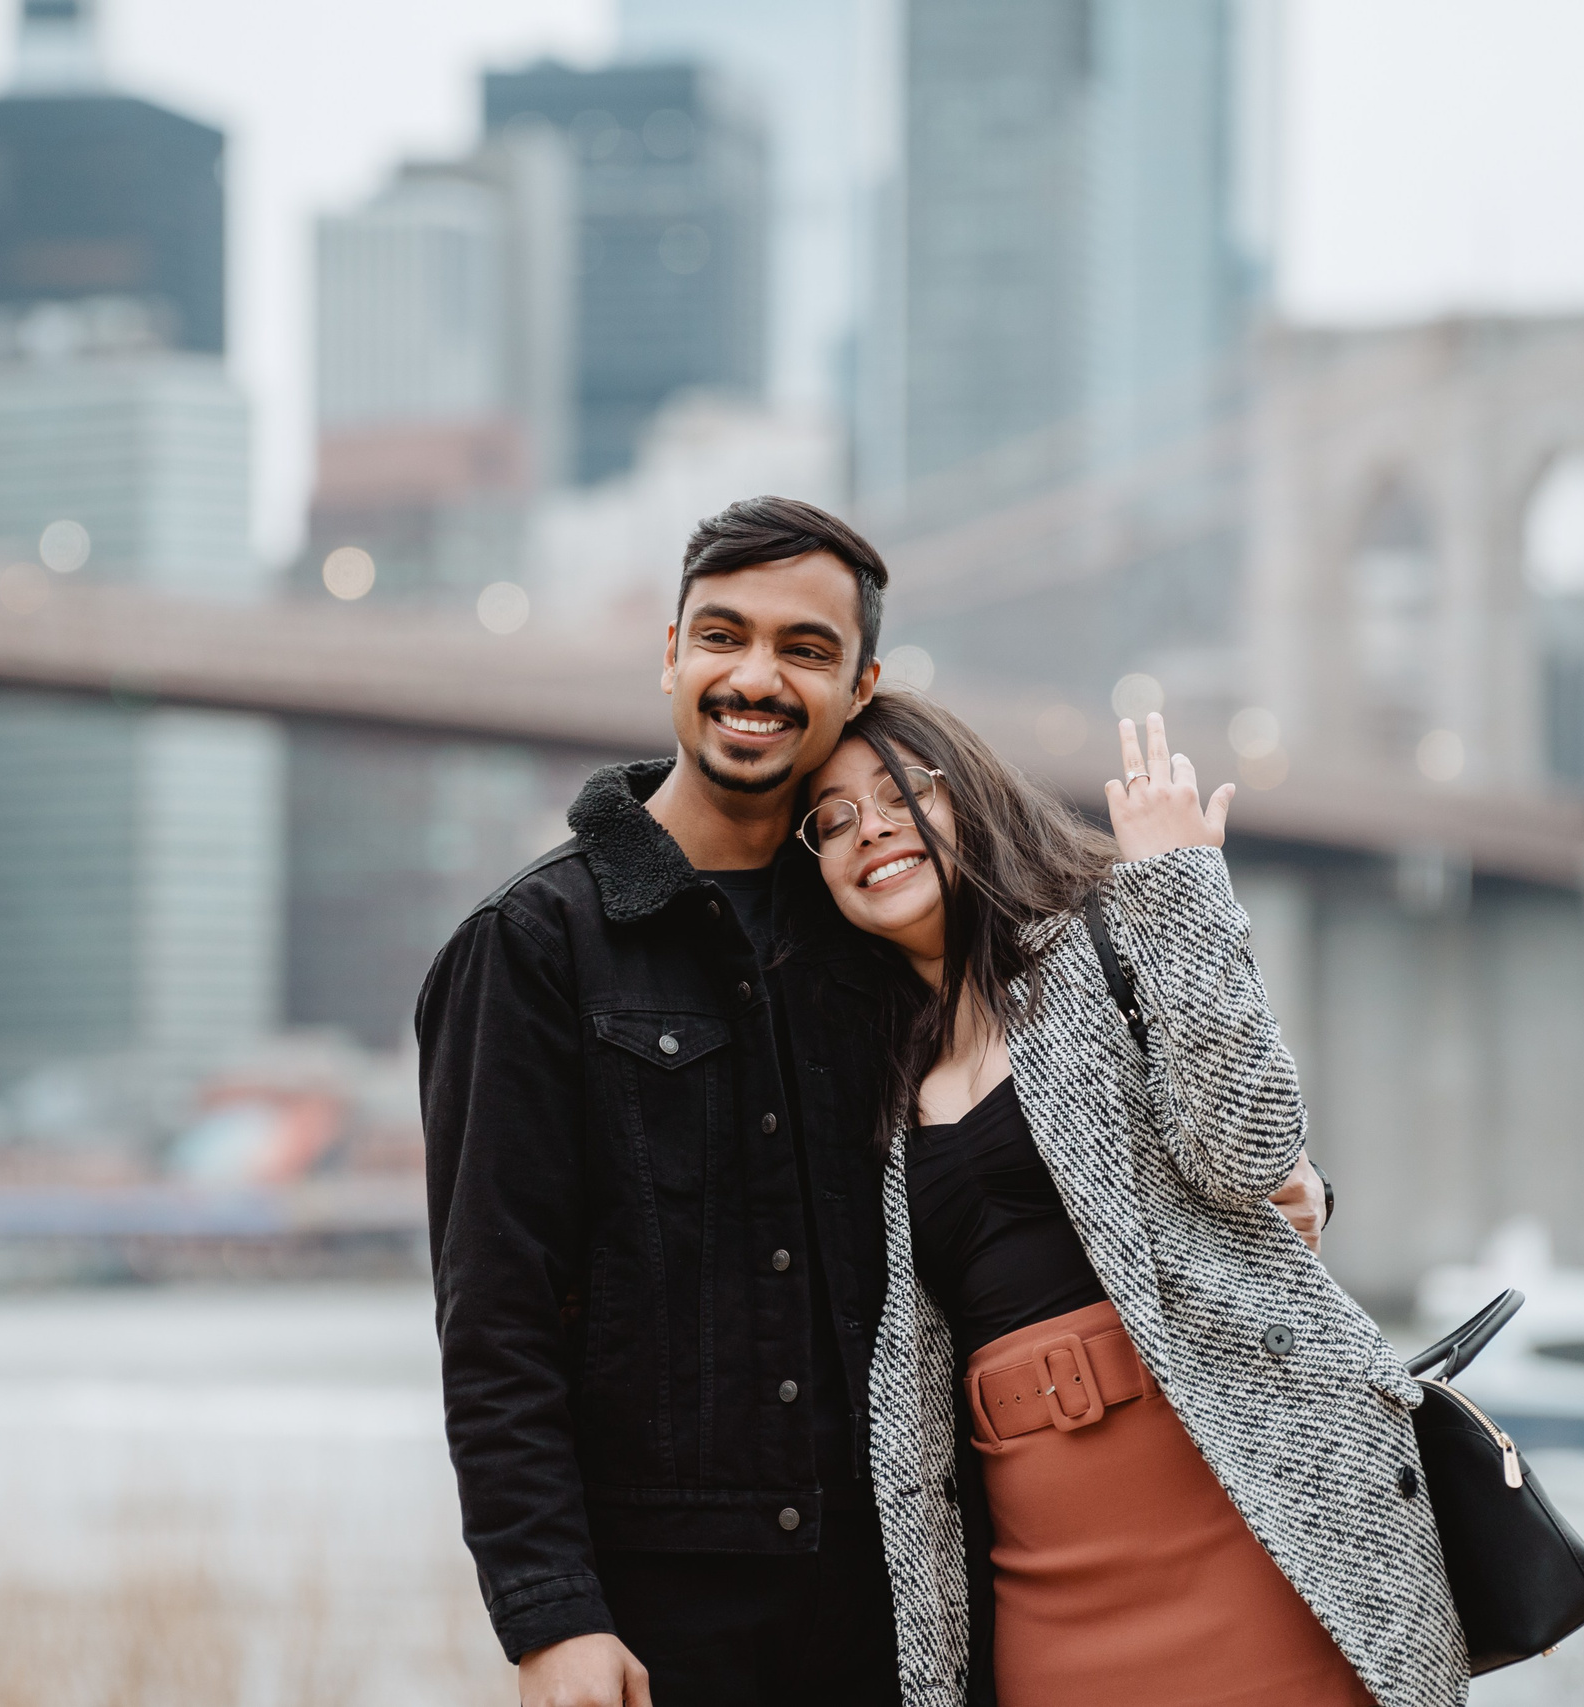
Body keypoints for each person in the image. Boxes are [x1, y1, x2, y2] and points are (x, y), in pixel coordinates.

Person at [418, 495, 1325, 1707]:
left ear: (859, 686)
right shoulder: (533, 948)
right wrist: (550, 1614)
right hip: (670, 1614)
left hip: (920, 1597)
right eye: (723, 636)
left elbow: (1067, 1142)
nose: (756, 677)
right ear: (672, 654)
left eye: (805, 649)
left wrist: (1282, 1194)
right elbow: (497, 1314)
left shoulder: (874, 924)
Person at [798, 691, 1467, 1707]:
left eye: (898, 791)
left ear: (966, 795)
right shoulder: (858, 1066)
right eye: (832, 820)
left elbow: (1247, 1151)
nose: (871, 828)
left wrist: (1182, 882)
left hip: (1253, 1521)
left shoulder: (1098, 941)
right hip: (1046, 1578)